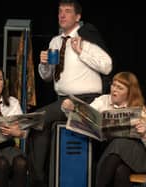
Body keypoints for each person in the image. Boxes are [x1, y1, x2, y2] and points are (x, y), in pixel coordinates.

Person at [26, 0, 113, 186]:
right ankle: (43, 177)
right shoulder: (55, 41)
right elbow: (47, 77)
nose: (62, 15)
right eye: (59, 12)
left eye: (67, 11)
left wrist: (81, 52)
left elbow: (107, 66)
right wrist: (43, 64)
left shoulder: (86, 39)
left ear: (78, 17)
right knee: (38, 123)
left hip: (87, 100)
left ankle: (37, 180)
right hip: (62, 100)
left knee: (38, 119)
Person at [62, 71, 146, 187]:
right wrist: (72, 109)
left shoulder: (141, 111)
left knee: (119, 143)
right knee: (120, 171)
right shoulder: (103, 101)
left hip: (142, 158)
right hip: (115, 158)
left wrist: (144, 134)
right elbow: (85, 116)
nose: (114, 90)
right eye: (113, 85)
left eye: (120, 88)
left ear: (129, 93)